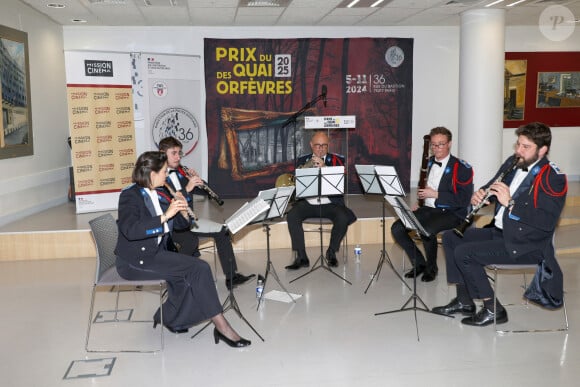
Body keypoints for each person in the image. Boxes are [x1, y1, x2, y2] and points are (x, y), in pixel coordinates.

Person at [433, 122, 567, 327]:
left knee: (465, 253)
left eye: (525, 147)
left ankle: (493, 309)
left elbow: (546, 222)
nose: (518, 151)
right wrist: (483, 194)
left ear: (543, 150)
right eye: (518, 144)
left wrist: (510, 203)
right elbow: (494, 185)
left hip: (527, 244)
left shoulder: (553, 178)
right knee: (451, 237)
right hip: (501, 233)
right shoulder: (514, 162)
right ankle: (464, 300)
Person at [115, 151, 250, 347]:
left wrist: (183, 212)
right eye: (163, 171)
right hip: (135, 260)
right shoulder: (130, 196)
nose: (166, 175)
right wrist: (165, 216)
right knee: (199, 268)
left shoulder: (161, 191)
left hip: (157, 253)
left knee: (190, 274)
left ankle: (171, 318)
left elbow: (178, 226)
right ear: (152, 174)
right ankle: (222, 327)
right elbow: (130, 230)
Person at [158, 137, 254, 290]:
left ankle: (231, 276)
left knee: (222, 231)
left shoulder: (181, 173)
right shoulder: (158, 176)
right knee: (190, 241)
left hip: (189, 221)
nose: (178, 157)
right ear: (162, 154)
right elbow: (167, 201)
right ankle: (177, 280)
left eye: (179, 153)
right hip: (172, 225)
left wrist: (199, 182)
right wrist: (187, 189)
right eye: (173, 153)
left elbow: (203, 192)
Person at [391, 126, 473, 282]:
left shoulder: (461, 168)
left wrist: (435, 195)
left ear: (449, 144)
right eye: (434, 144)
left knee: (426, 230)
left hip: (452, 212)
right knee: (397, 229)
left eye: (441, 144)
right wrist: (419, 202)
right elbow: (426, 188)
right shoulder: (428, 163)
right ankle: (419, 263)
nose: (436, 148)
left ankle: (431, 268)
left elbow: (464, 199)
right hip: (429, 208)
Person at [285, 130, 357, 269]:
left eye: (324, 145)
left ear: (328, 145)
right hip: (308, 203)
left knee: (342, 217)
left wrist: (325, 168)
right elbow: (297, 185)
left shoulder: (337, 160)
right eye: (317, 145)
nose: (321, 148)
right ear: (311, 145)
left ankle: (331, 253)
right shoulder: (302, 160)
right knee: (292, 216)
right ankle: (301, 257)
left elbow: (343, 185)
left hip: (331, 204)